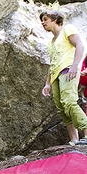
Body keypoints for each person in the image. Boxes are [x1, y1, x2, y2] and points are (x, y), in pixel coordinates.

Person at [40, 10, 87, 145]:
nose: (43, 22)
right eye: (42, 20)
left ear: (55, 19)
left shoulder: (68, 29)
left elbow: (80, 45)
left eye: (45, 19)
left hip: (68, 70)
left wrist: (75, 66)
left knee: (69, 102)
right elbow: (52, 63)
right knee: (61, 107)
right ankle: (74, 139)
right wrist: (47, 83)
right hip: (56, 75)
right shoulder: (51, 43)